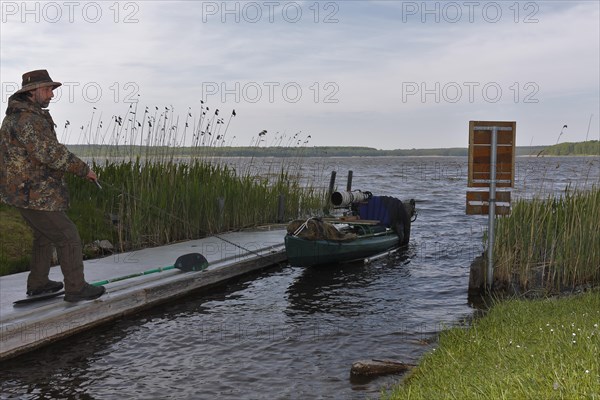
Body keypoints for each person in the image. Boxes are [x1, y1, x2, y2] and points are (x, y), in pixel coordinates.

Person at [0, 69, 105, 302]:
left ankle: (38, 284)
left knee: (43, 235)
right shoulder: (27, 119)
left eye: (52, 90)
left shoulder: (22, 116)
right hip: (31, 193)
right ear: (32, 92)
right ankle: (76, 289)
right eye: (47, 89)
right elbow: (49, 153)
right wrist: (83, 169)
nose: (51, 94)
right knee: (68, 235)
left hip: (29, 193)